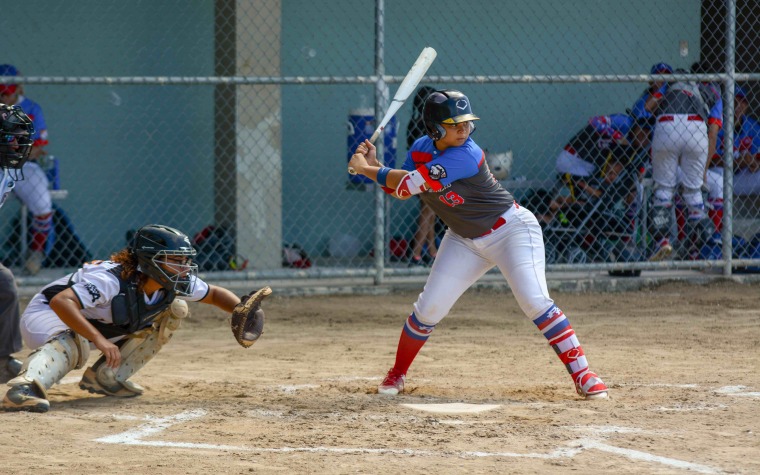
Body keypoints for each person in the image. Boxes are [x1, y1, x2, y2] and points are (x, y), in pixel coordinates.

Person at [348, 90, 608, 400]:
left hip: (511, 231)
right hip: (463, 239)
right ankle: (398, 373)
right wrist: (376, 166)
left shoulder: (466, 155)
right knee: (428, 308)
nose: (463, 129)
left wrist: (365, 169)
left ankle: (584, 374)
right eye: (454, 124)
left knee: (534, 301)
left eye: (467, 123)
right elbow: (402, 191)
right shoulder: (420, 149)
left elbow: (410, 183)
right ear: (433, 129)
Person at [2, 224, 264, 413]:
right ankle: (23, 388)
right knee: (74, 339)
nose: (184, 268)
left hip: (95, 323)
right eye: (176, 260)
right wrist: (98, 340)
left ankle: (107, 376)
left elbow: (215, 294)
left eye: (186, 261)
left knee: (175, 309)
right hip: (46, 315)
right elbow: (62, 302)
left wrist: (242, 310)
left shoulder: (171, 280)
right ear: (150, 262)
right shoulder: (109, 279)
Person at [647, 65, 723, 261]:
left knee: (663, 190)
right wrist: (703, 171)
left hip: (667, 124)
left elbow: (648, 106)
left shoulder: (674, 81)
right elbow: (712, 134)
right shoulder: (713, 90)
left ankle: (662, 242)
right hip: (696, 128)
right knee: (694, 194)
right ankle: (704, 249)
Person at [0, 64, 54, 275]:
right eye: (1, 93)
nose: (4, 98)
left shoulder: (31, 108)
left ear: (19, 89)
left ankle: (36, 253)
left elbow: (37, 148)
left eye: (8, 93)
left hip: (24, 165)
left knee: (42, 202)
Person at [0, 104, 35, 384]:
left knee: (4, 284)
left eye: (19, 138)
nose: (17, 144)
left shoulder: (7, 172)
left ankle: (1, 359)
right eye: (10, 137)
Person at [705, 85, 760, 231]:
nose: (738, 106)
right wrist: (736, 162)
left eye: (742, 101)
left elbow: (757, 156)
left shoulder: (752, 126)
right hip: (721, 177)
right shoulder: (717, 123)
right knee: (719, 174)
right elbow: (711, 161)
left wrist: (754, 162)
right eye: (734, 101)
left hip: (740, 177)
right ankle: (716, 231)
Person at [405, 85, 438, 266]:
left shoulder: (414, 122)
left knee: (430, 211)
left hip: (416, 172)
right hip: (427, 172)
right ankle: (416, 254)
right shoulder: (426, 126)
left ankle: (432, 251)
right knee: (428, 211)